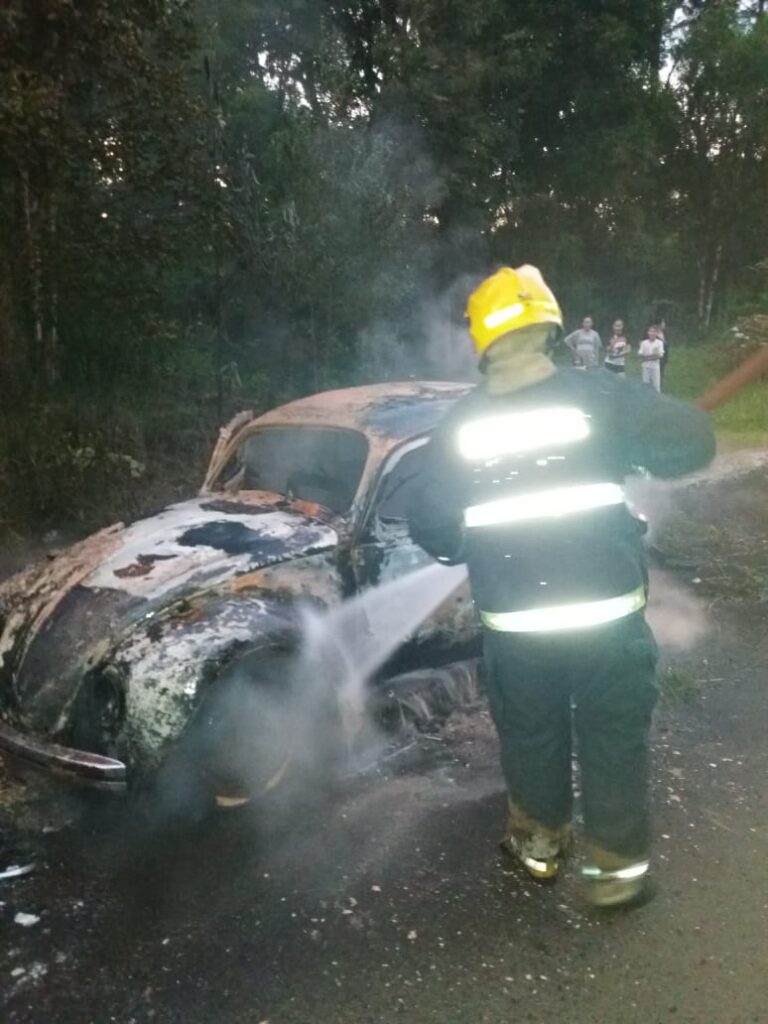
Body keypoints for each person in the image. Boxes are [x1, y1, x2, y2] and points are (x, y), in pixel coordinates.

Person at [407, 266, 715, 907]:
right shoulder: (599, 396)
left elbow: (429, 523)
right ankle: (616, 873)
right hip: (606, 622)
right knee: (612, 735)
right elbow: (693, 444)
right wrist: (645, 442)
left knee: (531, 733)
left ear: (484, 340)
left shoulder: (462, 424)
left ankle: (540, 848)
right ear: (548, 325)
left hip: (518, 630)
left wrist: (467, 545)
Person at [639, 325, 664, 391]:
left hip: (655, 367)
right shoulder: (644, 343)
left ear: (656, 333)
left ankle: (657, 399)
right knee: (645, 384)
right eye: (650, 331)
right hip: (645, 366)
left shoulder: (659, 343)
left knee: (656, 385)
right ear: (648, 333)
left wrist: (647, 357)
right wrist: (653, 355)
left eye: (654, 331)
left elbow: (660, 355)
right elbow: (641, 354)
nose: (652, 333)